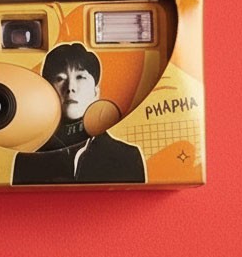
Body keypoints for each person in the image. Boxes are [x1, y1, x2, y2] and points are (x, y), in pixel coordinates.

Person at [12, 43, 145, 184]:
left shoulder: (127, 156)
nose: (70, 88)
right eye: (60, 78)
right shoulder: (27, 158)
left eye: (80, 77)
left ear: (96, 92)